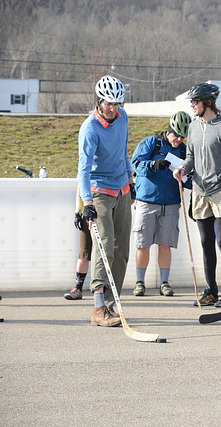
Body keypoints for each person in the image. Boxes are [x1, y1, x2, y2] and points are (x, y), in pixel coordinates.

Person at [173, 82, 221, 308]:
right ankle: (211, 291)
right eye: (192, 102)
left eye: (195, 102)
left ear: (209, 103)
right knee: (206, 243)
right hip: (200, 191)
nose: (192, 106)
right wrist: (182, 169)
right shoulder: (193, 127)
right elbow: (191, 157)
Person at [78, 75, 133, 327]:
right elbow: (84, 169)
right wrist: (87, 202)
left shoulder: (123, 119)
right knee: (105, 246)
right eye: (109, 103)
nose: (114, 109)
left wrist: (130, 181)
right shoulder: (90, 128)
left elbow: (123, 150)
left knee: (121, 249)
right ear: (99, 101)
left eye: (117, 104)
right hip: (99, 191)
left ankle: (113, 305)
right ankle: (98, 308)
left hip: (122, 188)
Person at [130, 111, 192, 297]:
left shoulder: (184, 150)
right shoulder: (151, 143)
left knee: (166, 244)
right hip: (147, 202)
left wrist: (186, 178)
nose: (179, 139)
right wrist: (153, 165)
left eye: (183, 136)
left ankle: (164, 282)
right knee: (143, 244)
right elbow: (135, 163)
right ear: (169, 130)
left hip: (171, 203)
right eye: (176, 135)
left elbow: (189, 179)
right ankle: (140, 282)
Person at [63, 188, 92, 300]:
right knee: (84, 253)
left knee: (105, 253)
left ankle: (105, 289)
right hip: (87, 213)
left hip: (105, 212)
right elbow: (81, 190)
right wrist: (78, 212)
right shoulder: (84, 173)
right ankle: (78, 288)